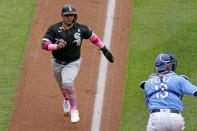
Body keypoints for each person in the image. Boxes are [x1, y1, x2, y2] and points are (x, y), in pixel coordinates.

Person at [41, 4, 114, 123]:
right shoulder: (54, 29)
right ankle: (66, 99)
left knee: (67, 83)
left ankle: (74, 109)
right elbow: (44, 44)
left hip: (73, 63)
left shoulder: (81, 29)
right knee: (61, 86)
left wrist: (105, 50)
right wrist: (55, 46)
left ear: (75, 16)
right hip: (56, 63)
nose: (70, 17)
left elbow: (94, 38)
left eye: (72, 15)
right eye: (67, 15)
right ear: (62, 16)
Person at [139, 53, 197, 131]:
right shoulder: (179, 79)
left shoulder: (148, 83)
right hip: (175, 118)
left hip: (156, 118)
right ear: (169, 66)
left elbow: (148, 104)